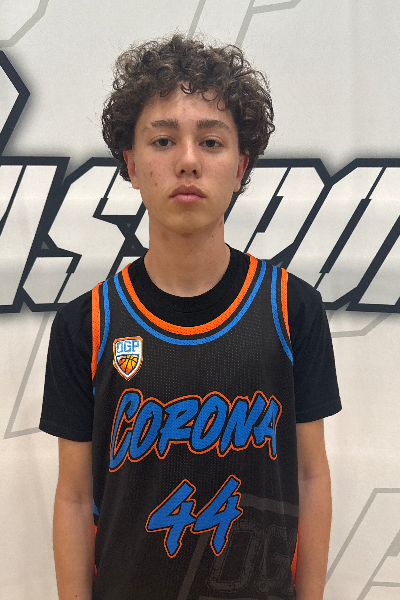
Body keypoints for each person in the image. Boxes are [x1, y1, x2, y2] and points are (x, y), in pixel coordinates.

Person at [40, 34, 341, 600]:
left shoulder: (291, 309)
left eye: (211, 141)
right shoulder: (87, 324)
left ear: (241, 165)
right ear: (131, 164)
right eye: (162, 140)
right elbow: (75, 498)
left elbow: (310, 475)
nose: (187, 160)